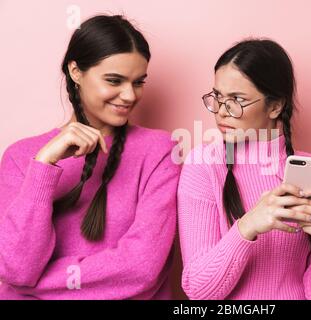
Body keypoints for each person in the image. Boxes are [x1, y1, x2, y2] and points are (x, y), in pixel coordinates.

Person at [0, 15, 180, 299]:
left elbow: (142, 267)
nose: (129, 95)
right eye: (114, 80)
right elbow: (16, 267)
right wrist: (44, 166)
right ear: (76, 71)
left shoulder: (160, 151)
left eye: (138, 82)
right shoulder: (21, 157)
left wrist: (31, 285)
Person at [177, 39, 311, 299]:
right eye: (218, 97)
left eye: (237, 100)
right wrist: (248, 226)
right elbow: (199, 291)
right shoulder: (202, 165)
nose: (222, 112)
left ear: (275, 106)